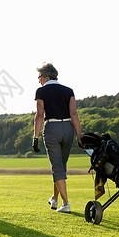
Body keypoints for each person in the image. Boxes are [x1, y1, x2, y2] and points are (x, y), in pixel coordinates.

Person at [33, 63, 82, 213]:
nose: (38, 80)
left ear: (47, 76)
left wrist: (35, 137)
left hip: (52, 128)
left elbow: (40, 115)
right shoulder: (68, 91)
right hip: (68, 129)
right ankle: (54, 199)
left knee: (57, 166)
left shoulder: (41, 91)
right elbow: (74, 114)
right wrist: (80, 136)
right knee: (61, 165)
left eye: (40, 76)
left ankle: (65, 203)